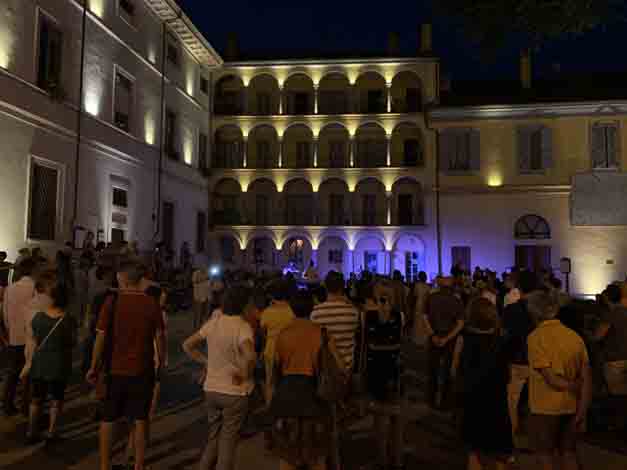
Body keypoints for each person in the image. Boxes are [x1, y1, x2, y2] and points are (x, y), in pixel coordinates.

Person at [86, 262, 166, 470]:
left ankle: (105, 465)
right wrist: (161, 362)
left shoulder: (112, 302)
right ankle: (138, 465)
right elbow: (159, 336)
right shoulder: (151, 303)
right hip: (143, 368)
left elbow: (100, 337)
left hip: (114, 369)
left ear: (122, 279)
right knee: (140, 419)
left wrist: (93, 366)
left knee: (108, 418)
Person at [182, 285, 257, 470]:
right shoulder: (242, 326)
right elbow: (250, 356)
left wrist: (206, 362)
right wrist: (244, 373)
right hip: (234, 392)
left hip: (211, 389)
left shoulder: (214, 322)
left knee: (213, 437)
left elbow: (187, 345)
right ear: (244, 304)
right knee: (228, 442)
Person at [270, 290, 337, 470]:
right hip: (314, 393)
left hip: (287, 393)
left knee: (288, 454)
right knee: (316, 454)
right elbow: (333, 364)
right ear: (312, 307)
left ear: (292, 308)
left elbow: (276, 367)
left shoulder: (283, 334)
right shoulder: (321, 333)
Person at [526, 291, 592, 470]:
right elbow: (586, 377)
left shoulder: (535, 338)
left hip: (544, 406)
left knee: (545, 454)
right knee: (569, 453)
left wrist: (571, 385)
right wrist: (582, 409)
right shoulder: (575, 337)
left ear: (533, 313)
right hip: (572, 404)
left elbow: (551, 379)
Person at [453, 298, 513, 470]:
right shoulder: (502, 340)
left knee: (474, 452)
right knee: (499, 452)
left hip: (472, 399)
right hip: (497, 400)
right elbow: (507, 373)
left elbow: (455, 369)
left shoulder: (465, 338)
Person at [21, 271, 77, 444]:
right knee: (56, 399)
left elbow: (32, 342)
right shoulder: (68, 320)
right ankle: (52, 432)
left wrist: (28, 364)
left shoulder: (38, 318)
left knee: (36, 399)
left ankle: (31, 431)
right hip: (60, 365)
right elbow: (72, 342)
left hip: (39, 364)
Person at [361, 281, 405, 469]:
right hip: (394, 368)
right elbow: (400, 341)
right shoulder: (400, 315)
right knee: (396, 416)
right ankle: (397, 459)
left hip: (375, 368)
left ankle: (382, 459)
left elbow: (365, 345)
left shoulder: (367, 316)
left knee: (379, 418)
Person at [501, 270, 537, 445]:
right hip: (539, 360)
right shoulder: (542, 311)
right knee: (536, 400)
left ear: (519, 287)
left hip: (516, 359)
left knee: (512, 401)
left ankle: (512, 436)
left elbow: (505, 336)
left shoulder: (511, 310)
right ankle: (536, 437)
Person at [424, 276, 465, 409]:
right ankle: (444, 401)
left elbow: (425, 317)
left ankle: (431, 399)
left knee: (433, 369)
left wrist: (432, 335)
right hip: (450, 337)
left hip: (434, 335)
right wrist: (447, 338)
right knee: (447, 370)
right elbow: (460, 323)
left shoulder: (431, 298)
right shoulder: (456, 301)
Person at [2, 257, 36, 416]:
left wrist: (9, 331)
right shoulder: (35, 287)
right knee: (30, 373)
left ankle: (7, 404)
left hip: (15, 335)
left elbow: (5, 314)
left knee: (13, 372)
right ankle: (25, 406)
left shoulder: (10, 288)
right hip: (32, 336)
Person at [593, 282, 627, 428]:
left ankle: (618, 425)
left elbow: (599, 336)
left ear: (607, 298)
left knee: (617, 397)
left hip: (614, 359)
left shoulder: (610, 315)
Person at [311, 271, 359, 372]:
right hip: (348, 367)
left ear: (325, 287)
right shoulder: (353, 312)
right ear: (343, 287)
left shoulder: (316, 313)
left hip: (326, 368)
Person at [261, 279, 296, 403]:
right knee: (286, 383)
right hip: (288, 352)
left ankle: (270, 406)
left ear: (272, 295)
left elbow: (263, 331)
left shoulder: (267, 312)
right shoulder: (292, 312)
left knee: (270, 382)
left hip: (271, 350)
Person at [412, 271, 431, 346]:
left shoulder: (417, 285)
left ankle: (418, 339)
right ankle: (422, 340)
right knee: (422, 322)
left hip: (419, 305)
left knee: (418, 322)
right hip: (423, 305)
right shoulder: (427, 286)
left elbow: (415, 296)